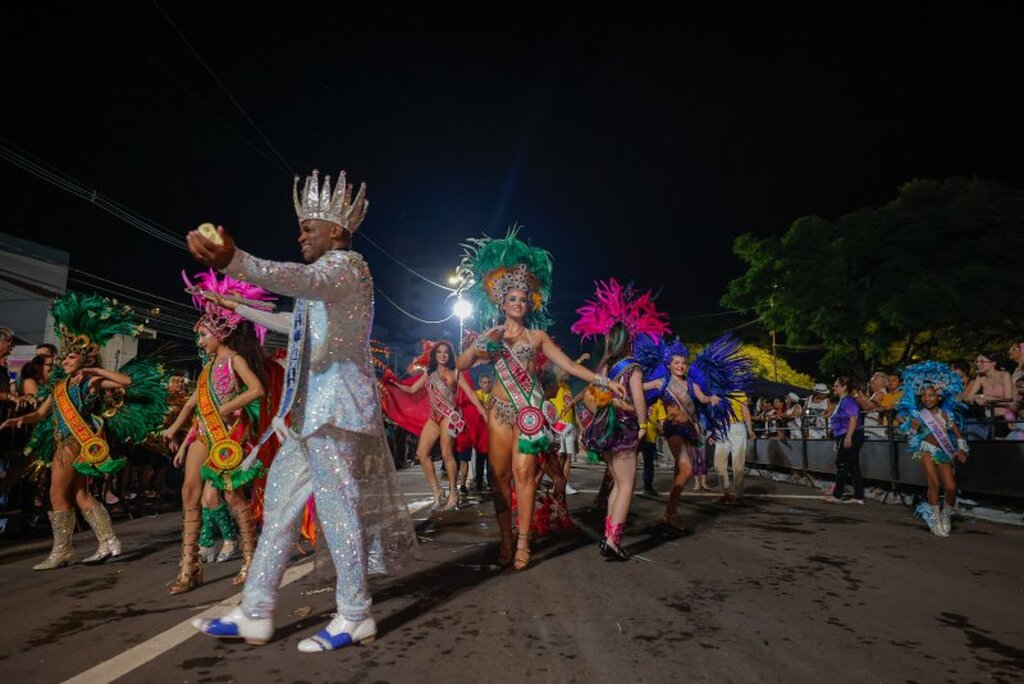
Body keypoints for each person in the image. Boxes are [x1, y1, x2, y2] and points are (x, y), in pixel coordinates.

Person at [189, 169, 416, 651]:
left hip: (336, 413)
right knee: (278, 512)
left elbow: (300, 281)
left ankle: (355, 615)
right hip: (305, 417)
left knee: (338, 512)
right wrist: (232, 302)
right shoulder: (326, 286)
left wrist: (237, 260)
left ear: (335, 231)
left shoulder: (346, 268)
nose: (299, 236)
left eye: (306, 228)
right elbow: (292, 319)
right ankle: (255, 612)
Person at [455, 229, 625, 570]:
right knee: (499, 480)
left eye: (523, 299)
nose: (519, 304)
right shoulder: (490, 337)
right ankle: (504, 541)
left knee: (524, 474)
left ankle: (523, 542)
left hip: (527, 413)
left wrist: (605, 379)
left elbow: (570, 368)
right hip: (498, 414)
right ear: (501, 302)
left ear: (529, 303)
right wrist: (479, 346)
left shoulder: (537, 337)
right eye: (512, 299)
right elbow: (460, 366)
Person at [0, 293, 167, 569]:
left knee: (56, 495)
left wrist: (94, 371)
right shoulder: (59, 386)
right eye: (63, 356)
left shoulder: (89, 382)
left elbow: (126, 381)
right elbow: (41, 414)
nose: (65, 359)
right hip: (65, 441)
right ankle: (109, 540)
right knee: (80, 495)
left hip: (74, 442)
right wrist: (19, 421)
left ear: (84, 358)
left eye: (71, 356)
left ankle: (62, 550)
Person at [161, 270, 273, 593]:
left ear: (219, 334)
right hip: (205, 434)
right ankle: (189, 567)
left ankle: (251, 559)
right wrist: (175, 430)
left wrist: (226, 408)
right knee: (188, 493)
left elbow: (256, 390)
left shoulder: (234, 359)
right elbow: (195, 404)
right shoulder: (207, 369)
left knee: (231, 494)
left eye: (203, 336)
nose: (200, 341)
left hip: (231, 436)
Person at [572, 279, 667, 560]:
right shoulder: (633, 367)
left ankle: (608, 537)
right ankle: (613, 542)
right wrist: (642, 425)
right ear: (630, 341)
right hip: (624, 426)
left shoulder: (605, 366)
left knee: (617, 482)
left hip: (605, 427)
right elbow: (638, 399)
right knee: (627, 485)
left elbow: (594, 396)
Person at [636, 333, 752, 529]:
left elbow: (703, 398)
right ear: (669, 364)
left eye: (683, 362)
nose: (681, 365)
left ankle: (669, 513)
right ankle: (671, 512)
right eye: (676, 362)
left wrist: (712, 399)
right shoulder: (661, 382)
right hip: (673, 430)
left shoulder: (692, 384)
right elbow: (637, 387)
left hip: (690, 429)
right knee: (687, 469)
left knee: (678, 473)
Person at [388, 340, 487, 509]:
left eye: (446, 352)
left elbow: (470, 393)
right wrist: (394, 382)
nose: (442, 355)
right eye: (439, 352)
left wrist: (483, 413)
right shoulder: (429, 372)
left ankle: (453, 494)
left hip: (450, 416)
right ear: (434, 355)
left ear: (450, 355)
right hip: (433, 417)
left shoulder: (456, 373)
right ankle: (437, 491)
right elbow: (412, 390)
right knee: (421, 453)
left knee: (447, 453)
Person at [896, 362, 968, 536]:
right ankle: (934, 517)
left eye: (931, 395)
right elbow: (908, 433)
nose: (927, 398)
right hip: (925, 449)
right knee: (934, 483)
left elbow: (958, 434)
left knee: (950, 487)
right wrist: (910, 426)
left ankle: (945, 514)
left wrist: (961, 450)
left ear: (939, 397)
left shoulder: (946, 415)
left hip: (944, 452)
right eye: (924, 395)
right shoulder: (919, 416)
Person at [825, 377, 865, 504]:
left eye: (836, 385)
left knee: (842, 465)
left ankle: (837, 495)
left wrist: (848, 437)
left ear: (844, 387)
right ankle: (858, 496)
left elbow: (853, 418)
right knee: (853, 467)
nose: (834, 388)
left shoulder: (848, 401)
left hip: (850, 435)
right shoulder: (842, 401)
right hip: (847, 434)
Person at [713, 391, 755, 502]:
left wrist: (750, 430)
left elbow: (745, 411)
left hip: (736, 427)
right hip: (721, 428)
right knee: (718, 464)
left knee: (738, 464)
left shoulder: (739, 392)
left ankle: (738, 496)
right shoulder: (716, 391)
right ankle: (725, 493)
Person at [640, 398, 666, 495]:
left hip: (649, 436)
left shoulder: (658, 401)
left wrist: (665, 431)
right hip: (635, 435)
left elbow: (662, 420)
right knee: (630, 462)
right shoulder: (636, 396)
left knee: (648, 463)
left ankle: (648, 487)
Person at [473, 374, 493, 491]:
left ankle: (490, 482)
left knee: (491, 460)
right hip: (479, 434)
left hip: (491, 433)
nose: (486, 385)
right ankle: (479, 483)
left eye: (488, 382)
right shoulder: (475, 395)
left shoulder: (494, 396)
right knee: (480, 459)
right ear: (479, 383)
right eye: (484, 382)